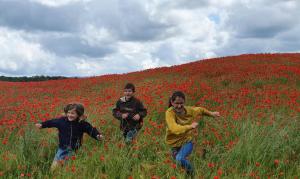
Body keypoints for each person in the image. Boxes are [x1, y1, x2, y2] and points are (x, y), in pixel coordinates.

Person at [165, 91, 220, 176]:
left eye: (181, 103)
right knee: (179, 163)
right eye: (176, 103)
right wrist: (190, 126)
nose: (179, 106)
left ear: (184, 102)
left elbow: (200, 110)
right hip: (174, 144)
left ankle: (193, 174)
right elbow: (174, 128)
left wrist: (212, 113)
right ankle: (201, 152)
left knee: (179, 159)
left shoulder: (190, 110)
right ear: (172, 102)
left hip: (187, 141)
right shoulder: (169, 113)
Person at [35, 103, 103, 171]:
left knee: (68, 168)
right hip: (62, 149)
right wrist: (42, 125)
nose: (70, 115)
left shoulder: (82, 124)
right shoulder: (61, 121)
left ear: (78, 114)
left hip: (74, 150)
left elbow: (91, 130)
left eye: (72, 113)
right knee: (53, 168)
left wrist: (97, 135)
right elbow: (51, 122)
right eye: (68, 113)